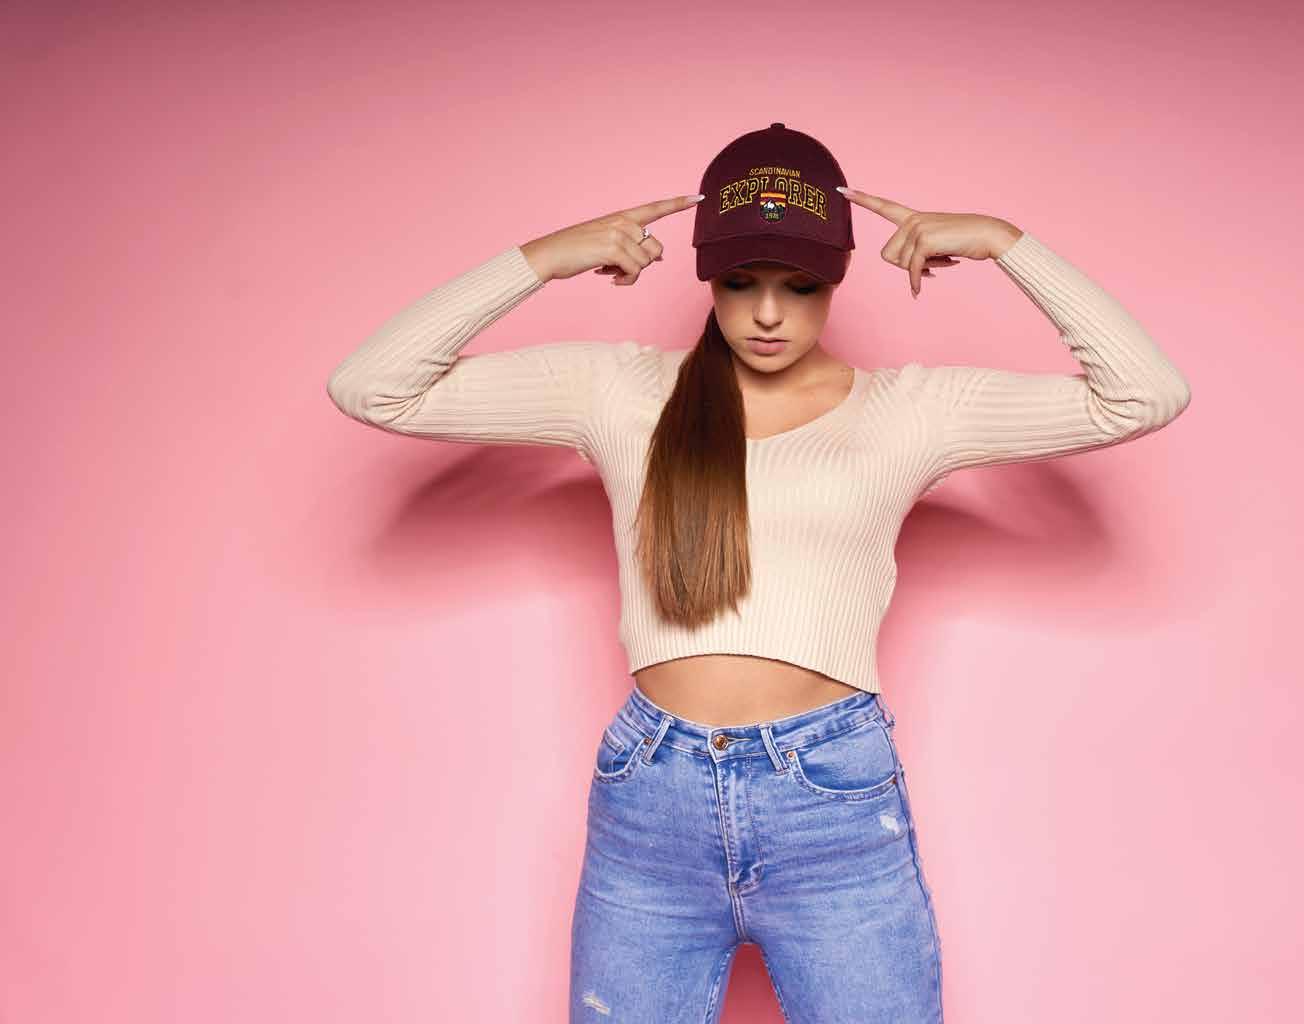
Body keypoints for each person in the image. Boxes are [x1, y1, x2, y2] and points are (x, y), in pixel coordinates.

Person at [326, 122, 1190, 1022]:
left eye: (799, 286)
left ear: (838, 280)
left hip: (830, 798)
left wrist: (1007, 245)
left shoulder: (912, 411)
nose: (768, 314)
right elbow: (375, 386)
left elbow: (1142, 394)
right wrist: (540, 261)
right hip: (650, 802)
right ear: (707, 277)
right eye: (741, 282)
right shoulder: (619, 391)